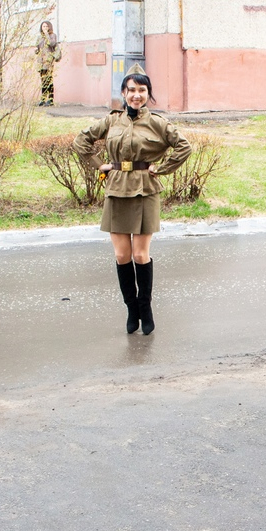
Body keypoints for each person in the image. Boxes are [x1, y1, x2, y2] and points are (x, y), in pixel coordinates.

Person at [74, 67, 191, 335]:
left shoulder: (157, 123)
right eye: (131, 90)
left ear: (148, 94)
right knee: (121, 254)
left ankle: (145, 308)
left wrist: (160, 169)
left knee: (140, 254)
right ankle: (131, 310)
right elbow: (81, 141)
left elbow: (184, 147)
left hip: (144, 188)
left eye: (142, 90)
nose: (136, 95)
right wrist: (99, 165)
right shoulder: (112, 121)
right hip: (116, 188)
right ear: (123, 93)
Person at [35, 20, 62, 106]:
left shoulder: (52, 35)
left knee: (48, 79)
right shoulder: (39, 37)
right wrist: (37, 50)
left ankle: (50, 99)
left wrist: (47, 34)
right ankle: (43, 99)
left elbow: (52, 44)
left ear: (49, 27)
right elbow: (38, 47)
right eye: (43, 27)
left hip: (48, 60)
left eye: (46, 26)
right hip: (41, 61)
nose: (45, 28)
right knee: (43, 80)